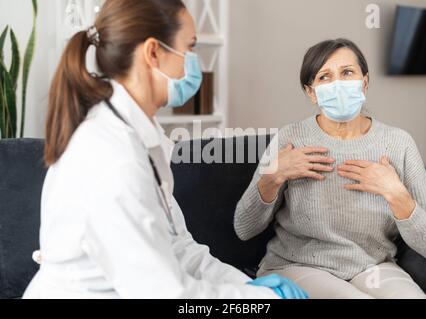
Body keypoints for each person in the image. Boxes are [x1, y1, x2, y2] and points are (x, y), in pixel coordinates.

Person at [23, 0, 307, 299]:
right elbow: (163, 293)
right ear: (154, 52)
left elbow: (178, 245)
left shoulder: (144, 139)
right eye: (190, 48)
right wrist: (259, 301)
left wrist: (243, 286)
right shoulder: (112, 157)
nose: (193, 61)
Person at [234, 38, 426, 299]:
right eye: (325, 77)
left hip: (373, 267)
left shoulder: (399, 143)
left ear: (364, 83)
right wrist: (274, 176)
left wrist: (395, 193)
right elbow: (243, 228)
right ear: (311, 92)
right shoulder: (290, 139)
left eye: (347, 73)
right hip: (298, 265)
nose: (338, 84)